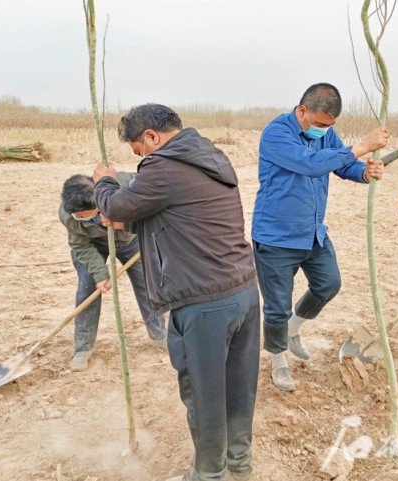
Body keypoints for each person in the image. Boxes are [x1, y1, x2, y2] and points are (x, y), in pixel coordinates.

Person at [92, 104, 260, 481]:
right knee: (239, 386)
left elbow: (116, 203)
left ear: (151, 136)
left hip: (204, 303)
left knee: (205, 395)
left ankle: (208, 474)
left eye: (138, 150)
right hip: (244, 292)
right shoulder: (209, 156)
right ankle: (239, 462)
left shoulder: (163, 166)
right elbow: (173, 214)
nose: (141, 158)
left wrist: (103, 181)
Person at [251, 82, 389, 391]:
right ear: (302, 111)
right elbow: (311, 165)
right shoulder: (277, 134)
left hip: (313, 233)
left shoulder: (326, 133)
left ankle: (293, 329)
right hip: (276, 237)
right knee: (276, 307)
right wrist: (361, 146)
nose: (324, 131)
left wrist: (365, 172)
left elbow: (343, 165)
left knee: (329, 283)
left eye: (330, 126)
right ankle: (278, 360)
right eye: (320, 124)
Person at [59, 174, 168, 372]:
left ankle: (159, 335)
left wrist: (126, 220)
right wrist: (100, 274)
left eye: (82, 215)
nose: (77, 217)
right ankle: (83, 347)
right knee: (87, 289)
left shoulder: (126, 186)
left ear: (97, 204)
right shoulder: (68, 213)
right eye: (76, 215)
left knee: (148, 284)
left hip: (130, 240)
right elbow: (80, 245)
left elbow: (154, 203)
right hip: (91, 245)